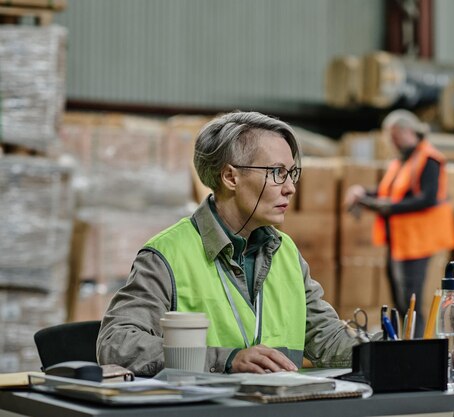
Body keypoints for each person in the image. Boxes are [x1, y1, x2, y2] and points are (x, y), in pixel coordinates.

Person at [97, 111, 359, 376]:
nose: (290, 187)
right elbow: (117, 343)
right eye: (278, 172)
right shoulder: (168, 254)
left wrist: (390, 349)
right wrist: (226, 360)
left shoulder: (285, 252)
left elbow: (329, 340)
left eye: (292, 173)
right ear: (230, 177)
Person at [343, 109, 454, 337]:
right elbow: (390, 193)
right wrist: (363, 193)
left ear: (408, 131)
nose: (391, 142)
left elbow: (426, 198)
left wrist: (384, 207)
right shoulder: (402, 161)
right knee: (399, 300)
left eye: (394, 136)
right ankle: (400, 344)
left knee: (411, 300)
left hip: (417, 240)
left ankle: (416, 346)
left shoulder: (429, 160)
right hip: (399, 239)